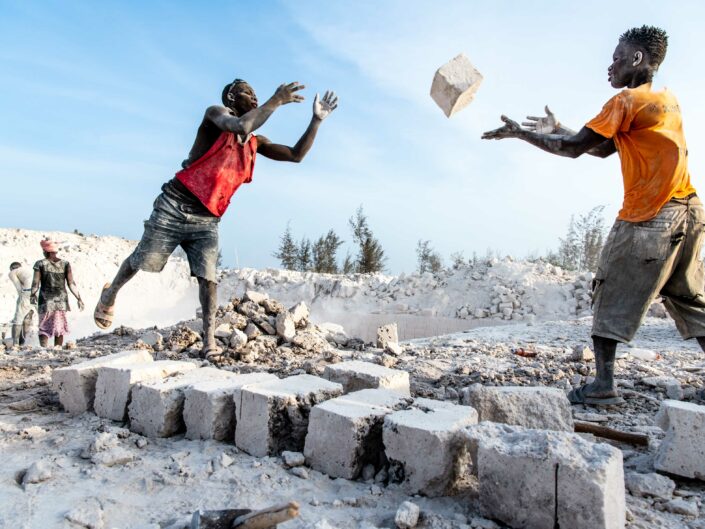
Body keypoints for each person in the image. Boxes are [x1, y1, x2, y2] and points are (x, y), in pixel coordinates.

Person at [482, 25, 705, 405]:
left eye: (617, 58)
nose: (610, 65)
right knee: (689, 297)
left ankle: (603, 385)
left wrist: (520, 134)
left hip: (650, 216)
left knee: (609, 291)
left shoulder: (625, 101)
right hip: (691, 213)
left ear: (636, 59)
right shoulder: (665, 101)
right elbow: (602, 148)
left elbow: (572, 149)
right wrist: (560, 128)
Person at [93, 79, 338, 359]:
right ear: (233, 98)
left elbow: (296, 155)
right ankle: (110, 294)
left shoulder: (255, 143)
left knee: (208, 279)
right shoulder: (216, 115)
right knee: (142, 259)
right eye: (248, 93)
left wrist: (316, 121)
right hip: (175, 204)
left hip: (207, 219)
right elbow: (240, 125)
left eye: (257, 94)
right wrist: (277, 100)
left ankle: (209, 341)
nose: (255, 97)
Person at [30, 239, 85, 348]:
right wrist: (79, 298)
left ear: (46, 251)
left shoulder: (40, 263)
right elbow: (71, 283)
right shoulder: (65, 264)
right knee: (59, 327)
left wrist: (32, 294)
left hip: (46, 300)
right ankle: (58, 349)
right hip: (61, 301)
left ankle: (44, 349)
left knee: (43, 326)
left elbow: (35, 283)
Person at [8, 262, 34, 346]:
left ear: (12, 268)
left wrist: (20, 300)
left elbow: (18, 287)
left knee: (18, 318)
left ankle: (15, 343)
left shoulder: (12, 272)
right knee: (28, 315)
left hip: (27, 292)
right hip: (38, 291)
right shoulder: (26, 271)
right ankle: (25, 341)